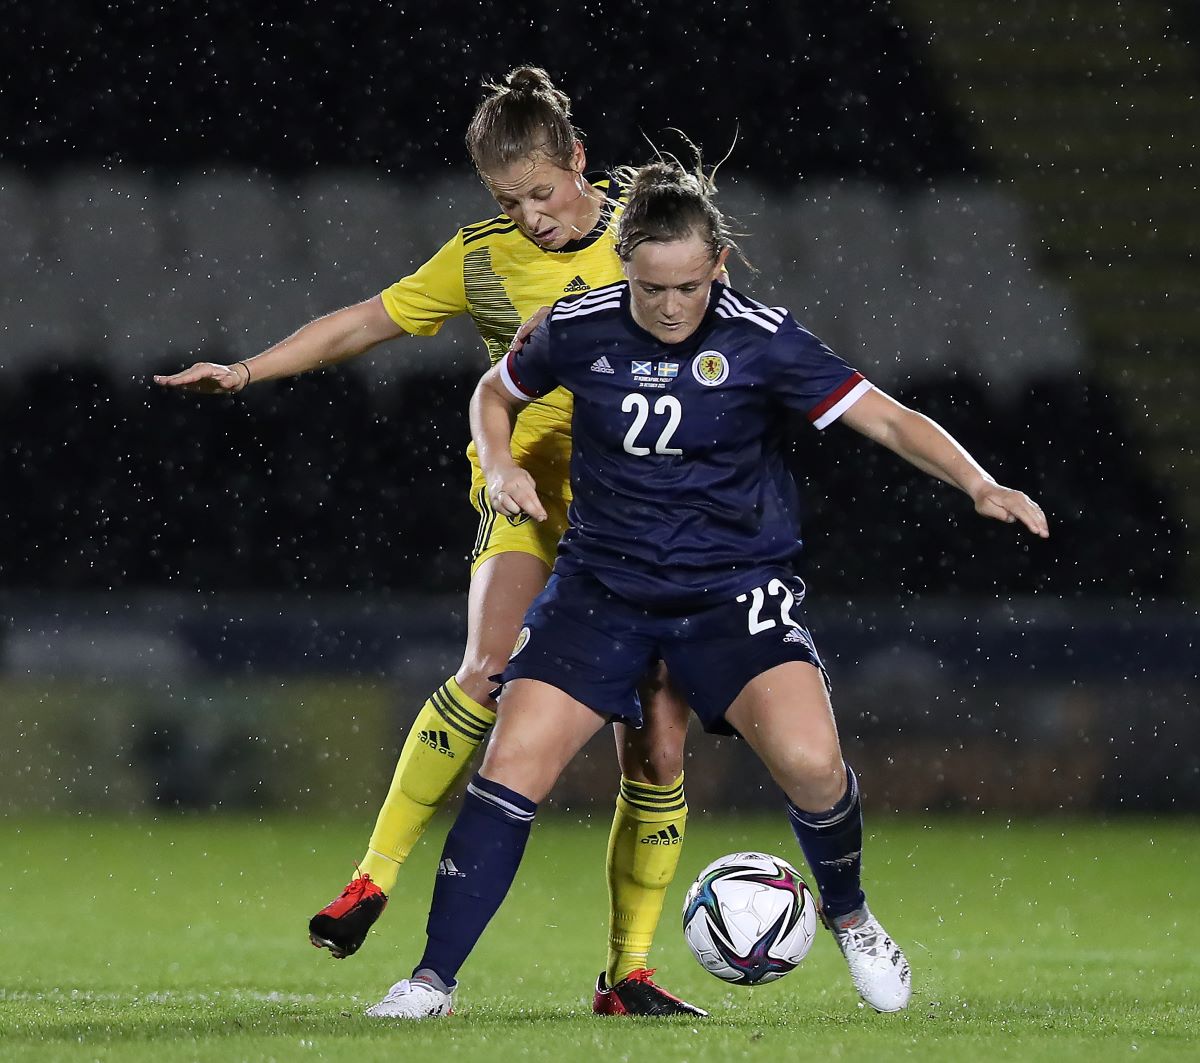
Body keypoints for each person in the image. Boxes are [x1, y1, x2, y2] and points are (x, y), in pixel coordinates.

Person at [363, 157, 1049, 1020]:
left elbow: (884, 414)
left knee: (810, 761)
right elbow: (492, 394)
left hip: (734, 592)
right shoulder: (577, 326)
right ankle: (430, 981)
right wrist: (499, 464)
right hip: (601, 589)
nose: (672, 306)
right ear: (624, 265)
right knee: (511, 763)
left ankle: (852, 915)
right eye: (651, 288)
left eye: (689, 285)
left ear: (717, 265)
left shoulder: (764, 339)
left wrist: (978, 482)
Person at [153, 67, 704, 1018]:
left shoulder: (652, 236)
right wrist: (247, 371)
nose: (529, 216)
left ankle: (632, 971)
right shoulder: (481, 257)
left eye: (541, 191)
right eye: (508, 200)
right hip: (526, 487)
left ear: (578, 160)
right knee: (487, 669)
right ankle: (372, 877)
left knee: (654, 738)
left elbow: (726, 345)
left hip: (646, 510)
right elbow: (367, 321)